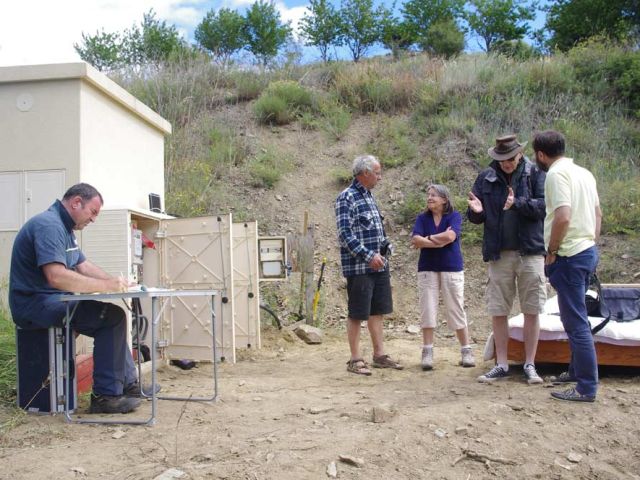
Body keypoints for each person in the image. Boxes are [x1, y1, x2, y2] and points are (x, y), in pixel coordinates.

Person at [9, 183, 155, 414]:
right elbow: (56, 276)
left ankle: (127, 384)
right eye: (93, 212)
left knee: (114, 316)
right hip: (33, 305)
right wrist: (106, 286)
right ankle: (105, 397)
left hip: (52, 301)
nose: (94, 219)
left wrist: (119, 284)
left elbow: (83, 266)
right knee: (111, 318)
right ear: (76, 202)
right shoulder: (49, 226)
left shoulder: (64, 229)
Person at [467, 134, 547, 385]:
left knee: (531, 309)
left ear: (520, 154)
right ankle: (501, 364)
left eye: (510, 159)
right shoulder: (486, 176)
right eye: (501, 159)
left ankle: (530, 364)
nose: (506, 164)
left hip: (530, 251)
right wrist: (475, 212)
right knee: (498, 309)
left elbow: (544, 207)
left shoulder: (535, 173)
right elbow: (475, 214)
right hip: (499, 253)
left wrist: (517, 204)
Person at [533, 130, 602, 402]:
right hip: (585, 250)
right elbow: (598, 214)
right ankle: (577, 371)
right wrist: (590, 243)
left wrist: (552, 250)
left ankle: (586, 387)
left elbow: (562, 217)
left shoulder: (555, 174)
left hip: (569, 254)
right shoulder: (584, 173)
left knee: (575, 322)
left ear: (541, 154)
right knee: (577, 316)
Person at [335, 154, 403, 375]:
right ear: (365, 173)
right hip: (360, 267)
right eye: (377, 172)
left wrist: (386, 247)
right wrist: (368, 256)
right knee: (357, 313)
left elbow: (376, 232)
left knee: (377, 311)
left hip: (379, 265)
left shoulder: (369, 197)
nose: (380, 178)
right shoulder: (346, 198)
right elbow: (345, 234)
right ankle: (355, 359)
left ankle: (379, 355)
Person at [411, 184, 475, 370]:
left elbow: (451, 236)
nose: (429, 198)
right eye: (428, 194)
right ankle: (427, 351)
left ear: (444, 199)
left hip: (451, 268)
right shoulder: (422, 218)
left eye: (434, 195)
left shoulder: (454, 216)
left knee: (456, 308)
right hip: (427, 268)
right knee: (427, 308)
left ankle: (466, 350)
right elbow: (415, 239)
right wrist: (439, 241)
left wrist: (428, 240)